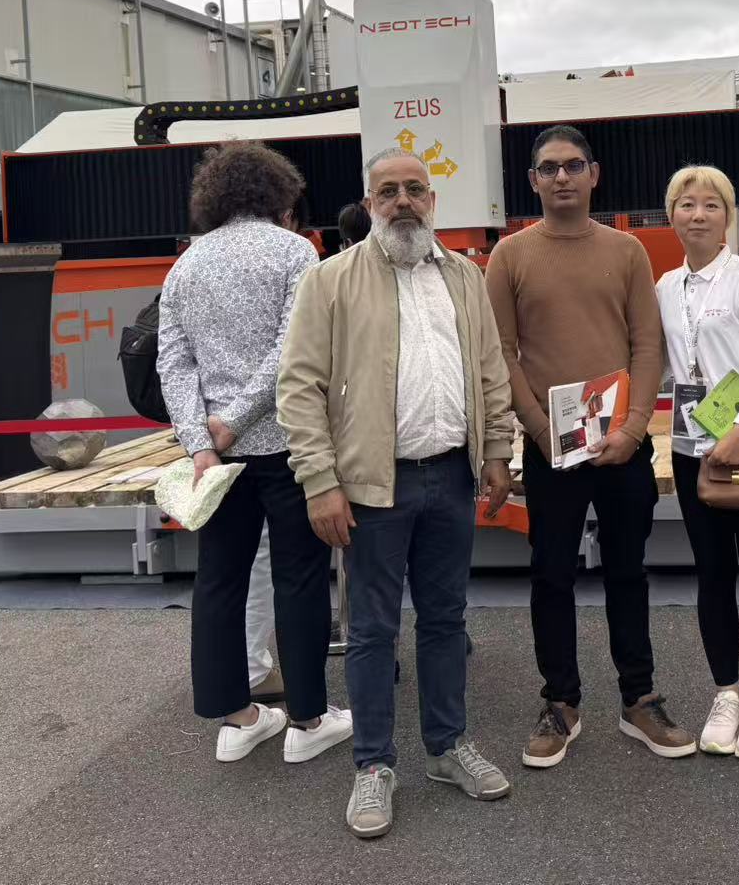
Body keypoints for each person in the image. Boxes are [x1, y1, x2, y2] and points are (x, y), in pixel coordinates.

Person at [280, 148, 517, 840]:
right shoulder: (330, 280)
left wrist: (497, 450)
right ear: (370, 204)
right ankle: (373, 765)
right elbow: (299, 387)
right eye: (388, 191)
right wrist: (320, 481)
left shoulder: (464, 277)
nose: (403, 201)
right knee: (372, 630)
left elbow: (489, 369)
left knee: (445, 621)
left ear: (433, 201)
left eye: (415, 189)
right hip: (372, 486)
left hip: (451, 475)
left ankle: (446, 747)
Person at [485, 124, 694, 767]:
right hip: (550, 447)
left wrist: (633, 428)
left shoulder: (627, 252)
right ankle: (560, 701)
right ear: (533, 182)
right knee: (551, 575)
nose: (563, 177)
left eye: (574, 166)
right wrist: (540, 429)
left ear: (594, 174)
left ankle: (639, 698)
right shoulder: (510, 257)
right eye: (549, 168)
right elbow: (502, 353)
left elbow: (646, 345)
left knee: (628, 571)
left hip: (621, 445)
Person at [156, 142, 350, 765]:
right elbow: (293, 351)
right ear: (279, 194)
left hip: (217, 462)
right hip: (289, 443)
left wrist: (200, 440)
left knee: (219, 579)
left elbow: (173, 362)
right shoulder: (295, 253)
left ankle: (236, 718)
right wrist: (236, 421)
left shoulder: (185, 266)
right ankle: (308, 718)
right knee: (299, 578)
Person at [656, 165, 739, 761]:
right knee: (711, 574)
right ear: (672, 216)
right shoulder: (665, 286)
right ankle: (726, 694)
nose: (698, 214)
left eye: (712, 205)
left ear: (728, 216)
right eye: (686, 204)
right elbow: (664, 366)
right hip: (692, 451)